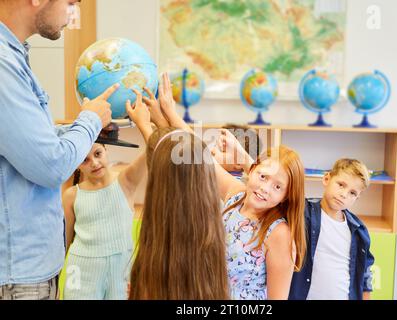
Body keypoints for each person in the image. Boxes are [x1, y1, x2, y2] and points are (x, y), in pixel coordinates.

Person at [0, 0, 118, 299]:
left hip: (28, 270)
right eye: (70, 2)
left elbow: (27, 142)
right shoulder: (3, 64)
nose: (72, 12)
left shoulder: (14, 57)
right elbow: (51, 165)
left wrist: (80, 129)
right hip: (19, 274)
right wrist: (90, 120)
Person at [154, 73, 307, 300]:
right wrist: (169, 111)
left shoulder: (279, 234)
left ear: (286, 196)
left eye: (277, 187)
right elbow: (199, 153)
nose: (266, 188)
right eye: (263, 177)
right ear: (251, 170)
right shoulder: (236, 196)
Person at [129, 82, 229, 299]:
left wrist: (150, 126)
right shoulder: (219, 219)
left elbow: (172, 163)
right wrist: (168, 118)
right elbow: (188, 158)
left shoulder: (155, 255)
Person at [62, 90, 153, 300]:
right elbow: (64, 244)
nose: (93, 163)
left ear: (107, 151)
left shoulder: (126, 181)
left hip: (121, 267)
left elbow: (155, 149)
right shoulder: (71, 195)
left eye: (98, 154)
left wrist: (143, 123)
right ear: (77, 165)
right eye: (84, 160)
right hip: (82, 269)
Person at [289, 159, 375, 300]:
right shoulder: (303, 212)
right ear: (327, 179)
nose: (344, 194)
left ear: (357, 198)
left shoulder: (359, 230)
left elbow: (365, 274)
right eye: (341, 185)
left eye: (352, 193)